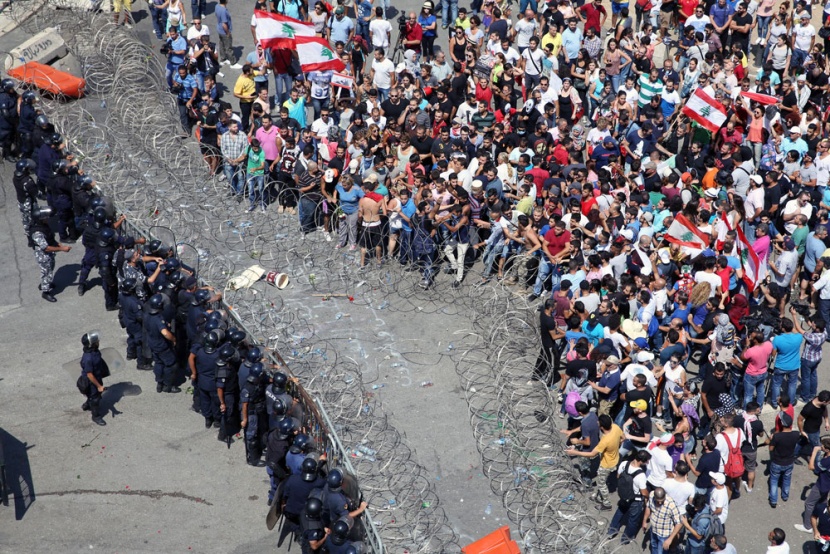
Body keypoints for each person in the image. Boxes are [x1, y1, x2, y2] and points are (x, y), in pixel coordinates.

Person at [609, 449, 651, 543]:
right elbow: (644, 492)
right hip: (635, 500)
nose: (647, 462)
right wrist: (649, 496)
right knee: (633, 519)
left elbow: (618, 476)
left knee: (620, 511)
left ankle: (611, 531)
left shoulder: (624, 464)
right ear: (642, 461)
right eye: (647, 461)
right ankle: (626, 538)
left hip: (623, 495)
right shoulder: (640, 475)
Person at [29, 207, 70, 303]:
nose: (47, 219)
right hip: (43, 255)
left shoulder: (43, 226)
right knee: (46, 272)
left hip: (48, 254)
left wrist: (58, 244)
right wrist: (62, 249)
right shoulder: (37, 232)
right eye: (45, 218)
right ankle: (45, 292)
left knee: (49, 269)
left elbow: (50, 238)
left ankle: (45, 284)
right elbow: (46, 248)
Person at [769, 412, 800, 509]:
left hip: (777, 462)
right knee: (787, 479)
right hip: (789, 461)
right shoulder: (796, 434)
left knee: (774, 480)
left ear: (782, 423)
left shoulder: (777, 436)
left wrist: (771, 439)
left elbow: (771, 449)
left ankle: (773, 500)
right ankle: (785, 496)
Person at [77, 332, 109, 426]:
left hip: (97, 376)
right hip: (91, 381)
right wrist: (99, 386)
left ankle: (87, 404)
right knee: (95, 398)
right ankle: (96, 416)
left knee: (93, 395)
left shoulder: (94, 351)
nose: (98, 341)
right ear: (92, 344)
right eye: (96, 341)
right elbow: (90, 375)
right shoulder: (88, 358)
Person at [642, 487, 683, 554]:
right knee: (653, 545)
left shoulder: (671, 504)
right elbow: (648, 507)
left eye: (662, 500)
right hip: (653, 530)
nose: (660, 502)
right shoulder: (652, 495)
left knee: (661, 552)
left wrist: (670, 539)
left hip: (664, 534)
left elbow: (679, 523)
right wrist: (644, 521)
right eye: (658, 500)